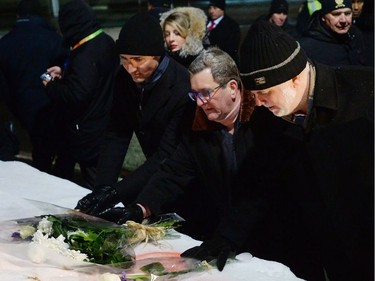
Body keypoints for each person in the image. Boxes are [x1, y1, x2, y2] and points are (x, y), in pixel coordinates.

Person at [93, 47, 327, 280]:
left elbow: (265, 190)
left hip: (282, 235)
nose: (200, 103)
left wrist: (229, 235)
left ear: (233, 88)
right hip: (234, 234)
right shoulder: (200, 125)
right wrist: (141, 207)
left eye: (206, 93)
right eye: (194, 95)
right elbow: (174, 172)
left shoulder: (267, 119)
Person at [240, 20, 373, 281]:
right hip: (328, 248)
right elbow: (261, 180)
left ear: (295, 77)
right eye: (253, 94)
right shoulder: (267, 116)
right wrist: (228, 236)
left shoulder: (366, 93)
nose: (258, 102)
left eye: (264, 92)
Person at [74, 13, 195, 214]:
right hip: (152, 171)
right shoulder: (124, 78)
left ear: (156, 54)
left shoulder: (182, 86)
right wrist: (102, 187)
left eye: (138, 60)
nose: (131, 68)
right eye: (125, 59)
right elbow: (117, 133)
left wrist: (115, 192)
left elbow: (166, 154)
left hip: (183, 179)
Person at [42, 0, 119, 188]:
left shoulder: (85, 52)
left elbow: (77, 94)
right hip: (104, 122)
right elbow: (93, 78)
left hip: (88, 129)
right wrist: (66, 72)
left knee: (94, 185)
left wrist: (51, 86)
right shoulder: (104, 41)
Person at [0, 0, 67, 172]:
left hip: (20, 108)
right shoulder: (53, 39)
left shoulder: (5, 43)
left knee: (35, 152)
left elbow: (3, 85)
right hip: (49, 103)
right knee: (55, 150)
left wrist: (13, 107)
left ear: (17, 16)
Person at [298, 0, 367, 66]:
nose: (343, 20)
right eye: (336, 14)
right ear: (323, 17)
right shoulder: (308, 46)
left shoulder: (356, 36)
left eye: (347, 13)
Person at [206, 0, 241, 65]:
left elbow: (231, 49)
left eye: (215, 8)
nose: (211, 11)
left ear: (222, 9)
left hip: (222, 62)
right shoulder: (204, 22)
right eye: (210, 8)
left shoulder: (232, 26)